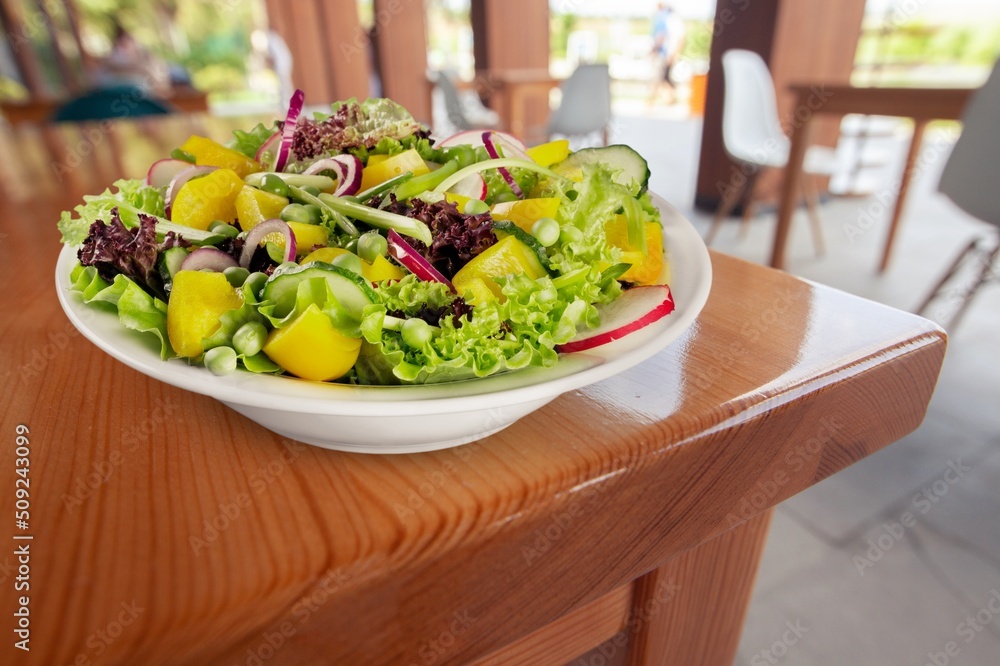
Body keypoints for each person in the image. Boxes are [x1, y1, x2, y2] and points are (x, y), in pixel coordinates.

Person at [649, 3, 686, 106]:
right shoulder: (669, 18)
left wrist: (673, 53)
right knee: (664, 77)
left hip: (664, 54)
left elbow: (664, 36)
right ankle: (671, 98)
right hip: (667, 54)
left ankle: (651, 101)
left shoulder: (669, 19)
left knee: (658, 77)